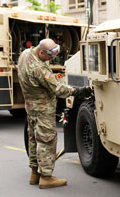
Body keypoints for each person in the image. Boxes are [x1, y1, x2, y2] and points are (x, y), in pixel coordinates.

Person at [17, 38, 91, 189]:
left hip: (31, 106)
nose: (52, 58)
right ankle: (46, 177)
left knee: (33, 139)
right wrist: (78, 91)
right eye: (50, 55)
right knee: (46, 141)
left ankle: (34, 173)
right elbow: (58, 89)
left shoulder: (25, 54)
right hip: (43, 108)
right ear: (41, 52)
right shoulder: (40, 69)